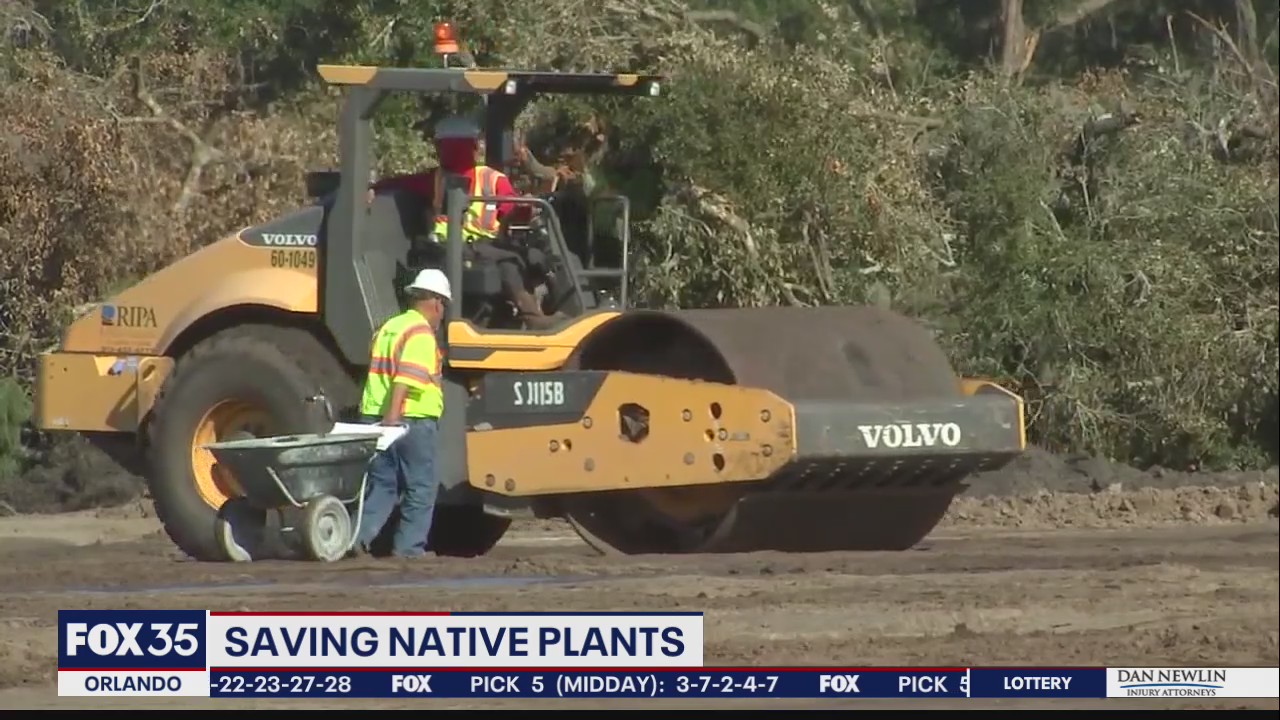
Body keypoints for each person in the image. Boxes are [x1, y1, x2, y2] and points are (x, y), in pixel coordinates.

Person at [370, 115, 567, 330]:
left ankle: (532, 313)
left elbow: (514, 210)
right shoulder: (437, 179)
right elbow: (400, 182)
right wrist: (374, 188)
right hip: (449, 249)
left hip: (483, 247)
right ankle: (533, 316)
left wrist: (525, 207)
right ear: (474, 146)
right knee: (510, 258)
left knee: (522, 258)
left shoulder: (489, 179)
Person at [351, 268, 451, 559]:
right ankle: (409, 550)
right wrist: (394, 418)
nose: (442, 313)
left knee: (382, 484)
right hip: (410, 421)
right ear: (435, 302)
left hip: (374, 417)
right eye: (443, 305)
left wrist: (382, 422)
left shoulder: (389, 327)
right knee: (420, 487)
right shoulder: (420, 333)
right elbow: (405, 378)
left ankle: (357, 540)